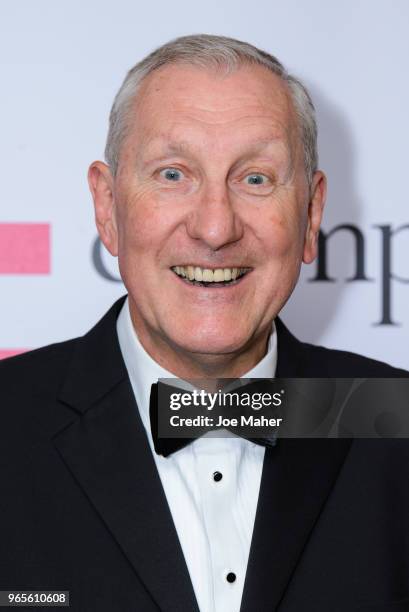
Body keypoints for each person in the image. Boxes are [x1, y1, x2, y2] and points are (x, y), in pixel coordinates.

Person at [1, 34, 408, 612]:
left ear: (312, 213)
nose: (215, 228)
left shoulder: (396, 423)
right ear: (107, 206)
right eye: (173, 174)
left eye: (256, 178)